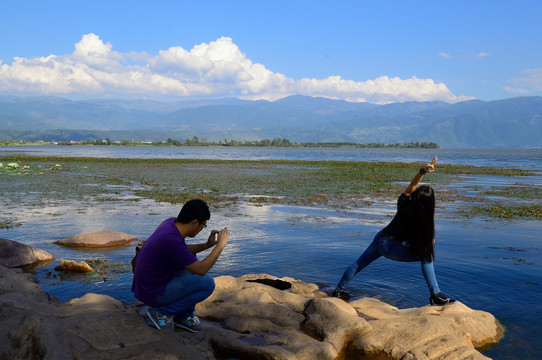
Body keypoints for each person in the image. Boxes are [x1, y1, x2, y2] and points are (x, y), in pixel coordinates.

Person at [332, 157, 456, 306]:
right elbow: (428, 242)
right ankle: (435, 295)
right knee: (426, 256)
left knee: (358, 264)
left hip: (380, 238)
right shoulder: (421, 220)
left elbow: (411, 187)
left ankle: (339, 290)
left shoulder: (403, 203)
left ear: (415, 197)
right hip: (389, 246)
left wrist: (422, 171)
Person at [132, 199, 229, 332]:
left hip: (148, 284)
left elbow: (182, 251)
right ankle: (162, 312)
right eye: (203, 225)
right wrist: (220, 246)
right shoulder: (170, 240)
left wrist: (207, 245)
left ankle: (183, 315)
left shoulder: (170, 223)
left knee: (191, 265)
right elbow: (201, 270)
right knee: (207, 284)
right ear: (195, 222)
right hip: (151, 292)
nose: (202, 228)